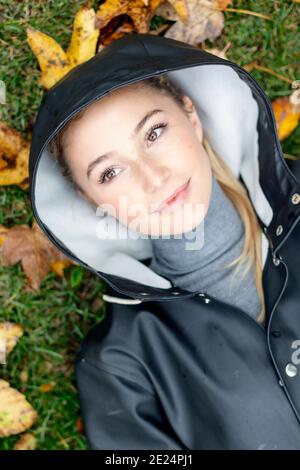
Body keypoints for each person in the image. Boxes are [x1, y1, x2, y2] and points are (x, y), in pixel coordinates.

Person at [29, 33, 300, 450]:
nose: (153, 178)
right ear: (89, 200)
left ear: (190, 116)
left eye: (154, 133)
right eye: (110, 173)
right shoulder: (120, 368)